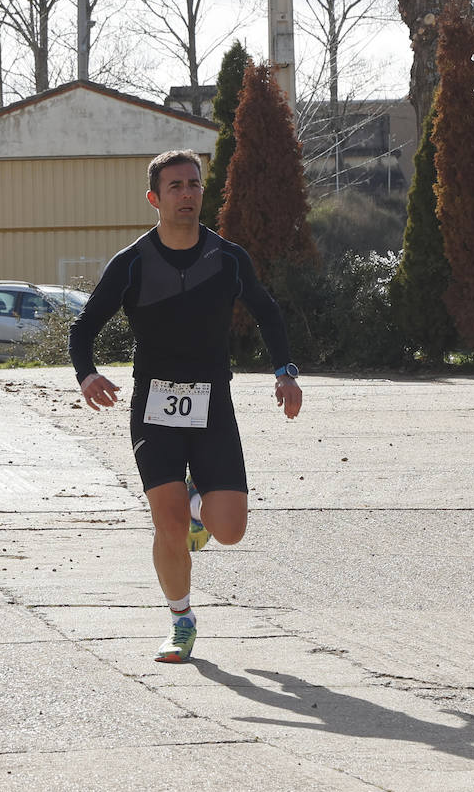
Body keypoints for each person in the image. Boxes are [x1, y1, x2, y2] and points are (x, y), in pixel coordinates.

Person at [69, 149, 302, 664]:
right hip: (154, 405)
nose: (186, 194)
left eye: (193, 184)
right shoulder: (131, 263)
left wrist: (285, 372)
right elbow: (83, 328)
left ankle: (199, 504)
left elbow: (267, 313)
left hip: (213, 402)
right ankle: (181, 619)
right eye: (174, 186)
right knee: (168, 525)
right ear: (154, 198)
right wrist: (87, 375)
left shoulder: (228, 257)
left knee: (231, 530)